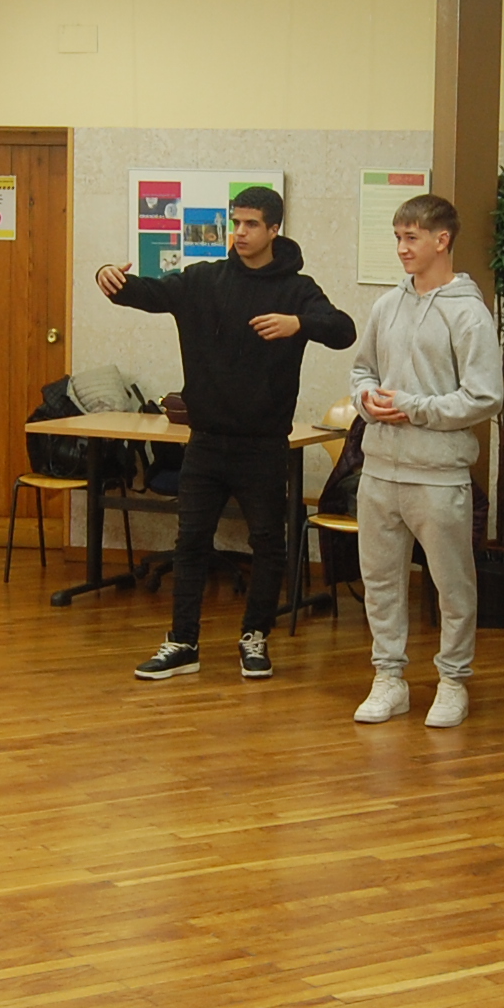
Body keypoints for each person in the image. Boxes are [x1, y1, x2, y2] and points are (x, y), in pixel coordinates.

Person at [101, 187, 355, 681]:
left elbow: (342, 329)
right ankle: (183, 642)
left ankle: (255, 636)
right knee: (191, 542)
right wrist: (108, 278)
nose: (240, 233)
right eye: (235, 223)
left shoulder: (297, 289)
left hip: (263, 444)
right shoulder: (204, 280)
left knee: (269, 543)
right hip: (207, 442)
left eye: (252, 224)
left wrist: (298, 323)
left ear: (274, 229)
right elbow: (148, 293)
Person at [347, 193, 500, 729]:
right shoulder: (386, 306)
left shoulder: (469, 313)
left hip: (437, 475)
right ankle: (388, 678)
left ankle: (453, 681)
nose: (402, 248)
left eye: (411, 237)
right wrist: (366, 399)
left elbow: (483, 397)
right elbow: (362, 370)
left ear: (442, 240)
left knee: (452, 584)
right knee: (380, 581)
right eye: (397, 237)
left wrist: (415, 408)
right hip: (379, 470)